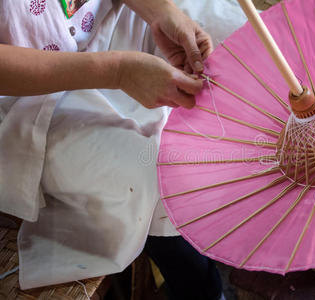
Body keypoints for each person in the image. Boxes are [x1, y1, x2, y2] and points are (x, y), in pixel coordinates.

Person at [0, 0, 246, 298]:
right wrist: (117, 71)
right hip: (28, 91)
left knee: (243, 44)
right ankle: (201, 288)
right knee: (156, 170)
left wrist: (161, 13)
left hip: (113, 16)